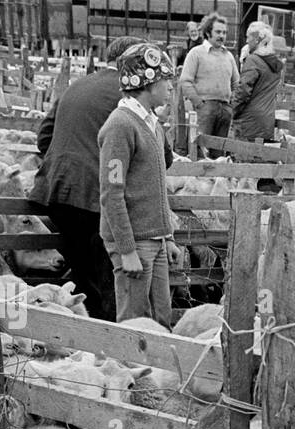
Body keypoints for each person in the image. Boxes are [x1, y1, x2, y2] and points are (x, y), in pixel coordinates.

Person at [31, 34, 145, 321]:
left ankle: (84, 341)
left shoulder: (76, 86)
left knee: (83, 274)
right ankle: (108, 346)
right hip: (97, 198)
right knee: (109, 278)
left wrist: (70, 165)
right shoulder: (129, 95)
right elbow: (153, 152)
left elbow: (44, 136)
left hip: (58, 192)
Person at [98, 41, 177, 326]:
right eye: (165, 79)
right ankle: (129, 372)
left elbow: (156, 182)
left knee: (161, 319)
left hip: (153, 238)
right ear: (146, 82)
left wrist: (166, 236)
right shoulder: (120, 126)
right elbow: (111, 193)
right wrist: (127, 250)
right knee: (135, 324)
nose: (170, 87)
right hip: (135, 242)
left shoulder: (151, 122)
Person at [178, 12, 238, 156]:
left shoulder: (228, 56)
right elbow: (185, 81)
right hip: (205, 109)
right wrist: (199, 104)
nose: (222, 36)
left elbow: (236, 82)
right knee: (201, 152)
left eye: (224, 32)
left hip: (225, 110)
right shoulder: (196, 53)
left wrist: (231, 105)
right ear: (207, 32)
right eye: (218, 32)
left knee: (220, 155)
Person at [231, 20, 282, 143]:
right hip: (267, 120)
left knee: (243, 157)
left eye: (248, 37)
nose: (247, 41)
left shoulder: (253, 60)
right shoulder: (274, 64)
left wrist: (232, 111)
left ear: (257, 40)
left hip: (249, 120)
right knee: (261, 157)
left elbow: (243, 92)